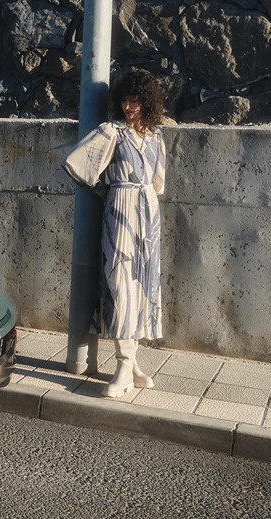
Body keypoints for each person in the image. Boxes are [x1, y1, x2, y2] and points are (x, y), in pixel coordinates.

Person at [61, 70, 166, 398]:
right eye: (124, 100)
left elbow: (158, 184)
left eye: (135, 100)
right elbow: (75, 163)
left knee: (143, 287)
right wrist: (105, 190)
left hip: (148, 216)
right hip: (120, 212)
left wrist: (142, 199)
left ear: (147, 102)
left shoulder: (156, 137)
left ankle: (131, 365)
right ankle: (123, 365)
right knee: (120, 286)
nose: (128, 106)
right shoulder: (112, 131)